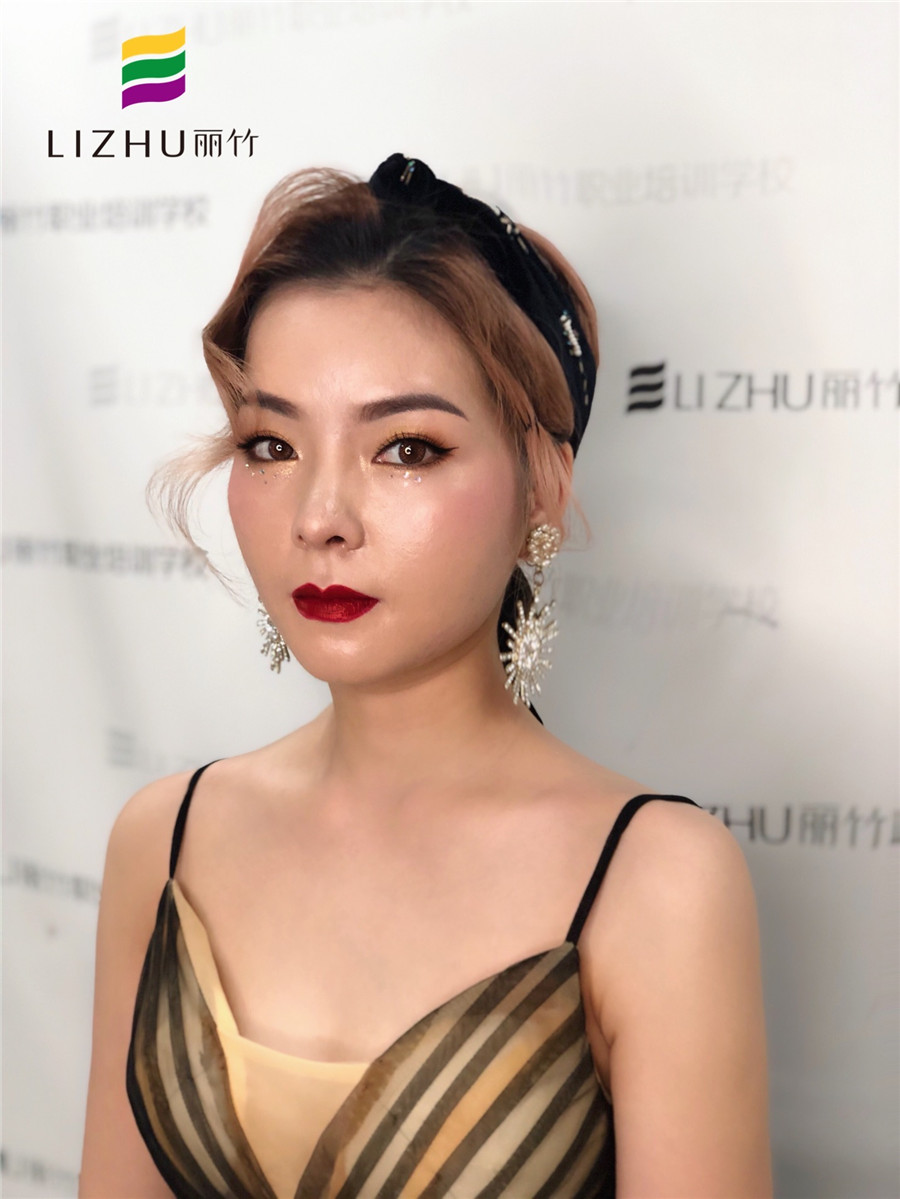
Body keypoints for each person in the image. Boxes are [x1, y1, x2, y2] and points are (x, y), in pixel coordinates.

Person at [79, 153, 772, 1198]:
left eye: (405, 449)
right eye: (271, 445)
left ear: (543, 483)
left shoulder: (656, 880)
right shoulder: (163, 838)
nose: (320, 517)